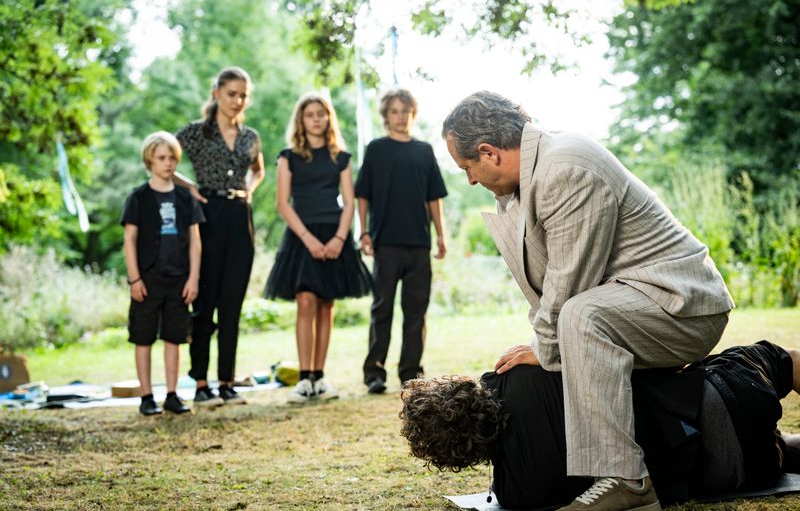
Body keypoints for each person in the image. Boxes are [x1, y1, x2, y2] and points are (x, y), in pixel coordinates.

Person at [441, 91, 736, 510]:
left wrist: (544, 349)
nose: (470, 179)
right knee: (579, 317)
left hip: (683, 308)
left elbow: (568, 286)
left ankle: (629, 483)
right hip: (641, 303)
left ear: (489, 152)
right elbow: (549, 284)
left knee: (581, 315)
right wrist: (543, 345)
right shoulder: (538, 174)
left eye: (468, 166)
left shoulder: (565, 167)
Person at [400, 340, 800, 510]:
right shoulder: (516, 374)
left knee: (778, 445)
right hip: (720, 398)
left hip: (737, 471)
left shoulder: (515, 494)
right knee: (780, 359)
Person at [265, 93, 372, 403]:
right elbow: (282, 203)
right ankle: (303, 379)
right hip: (301, 235)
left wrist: (340, 238)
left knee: (326, 304)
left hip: (333, 233)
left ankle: (320, 377)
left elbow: (350, 201)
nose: (315, 118)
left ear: (328, 119)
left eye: (321, 114)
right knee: (306, 301)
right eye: (309, 114)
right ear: (301, 119)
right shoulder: (288, 157)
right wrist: (308, 239)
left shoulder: (341, 157)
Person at [175, 66, 265, 407]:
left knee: (232, 304)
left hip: (241, 217)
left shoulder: (249, 136)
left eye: (243, 95)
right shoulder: (196, 133)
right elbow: (160, 156)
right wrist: (190, 188)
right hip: (207, 214)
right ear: (216, 93)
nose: (237, 100)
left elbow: (259, 169)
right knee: (205, 303)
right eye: (231, 94)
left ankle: (226, 381)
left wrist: (250, 189)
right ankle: (200, 383)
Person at [355, 87, 448, 394]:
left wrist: (441, 236)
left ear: (413, 114)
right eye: (394, 111)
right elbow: (362, 194)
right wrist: (364, 231)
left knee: (416, 311)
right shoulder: (376, 149)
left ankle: (411, 371)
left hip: (419, 244)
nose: (400, 116)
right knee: (382, 308)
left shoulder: (423, 151)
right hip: (386, 243)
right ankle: (374, 372)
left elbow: (434, 199)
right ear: (386, 116)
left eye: (405, 111)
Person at [121, 131, 204, 416]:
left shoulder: (185, 198)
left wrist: (193, 278)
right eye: (161, 158)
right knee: (143, 338)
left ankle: (172, 394)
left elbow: (195, 242)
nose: (168, 163)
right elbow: (129, 241)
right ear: (149, 161)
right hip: (147, 279)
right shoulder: (138, 198)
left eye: (172, 158)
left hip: (178, 279)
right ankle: (146, 396)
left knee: (175, 337)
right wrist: (135, 278)